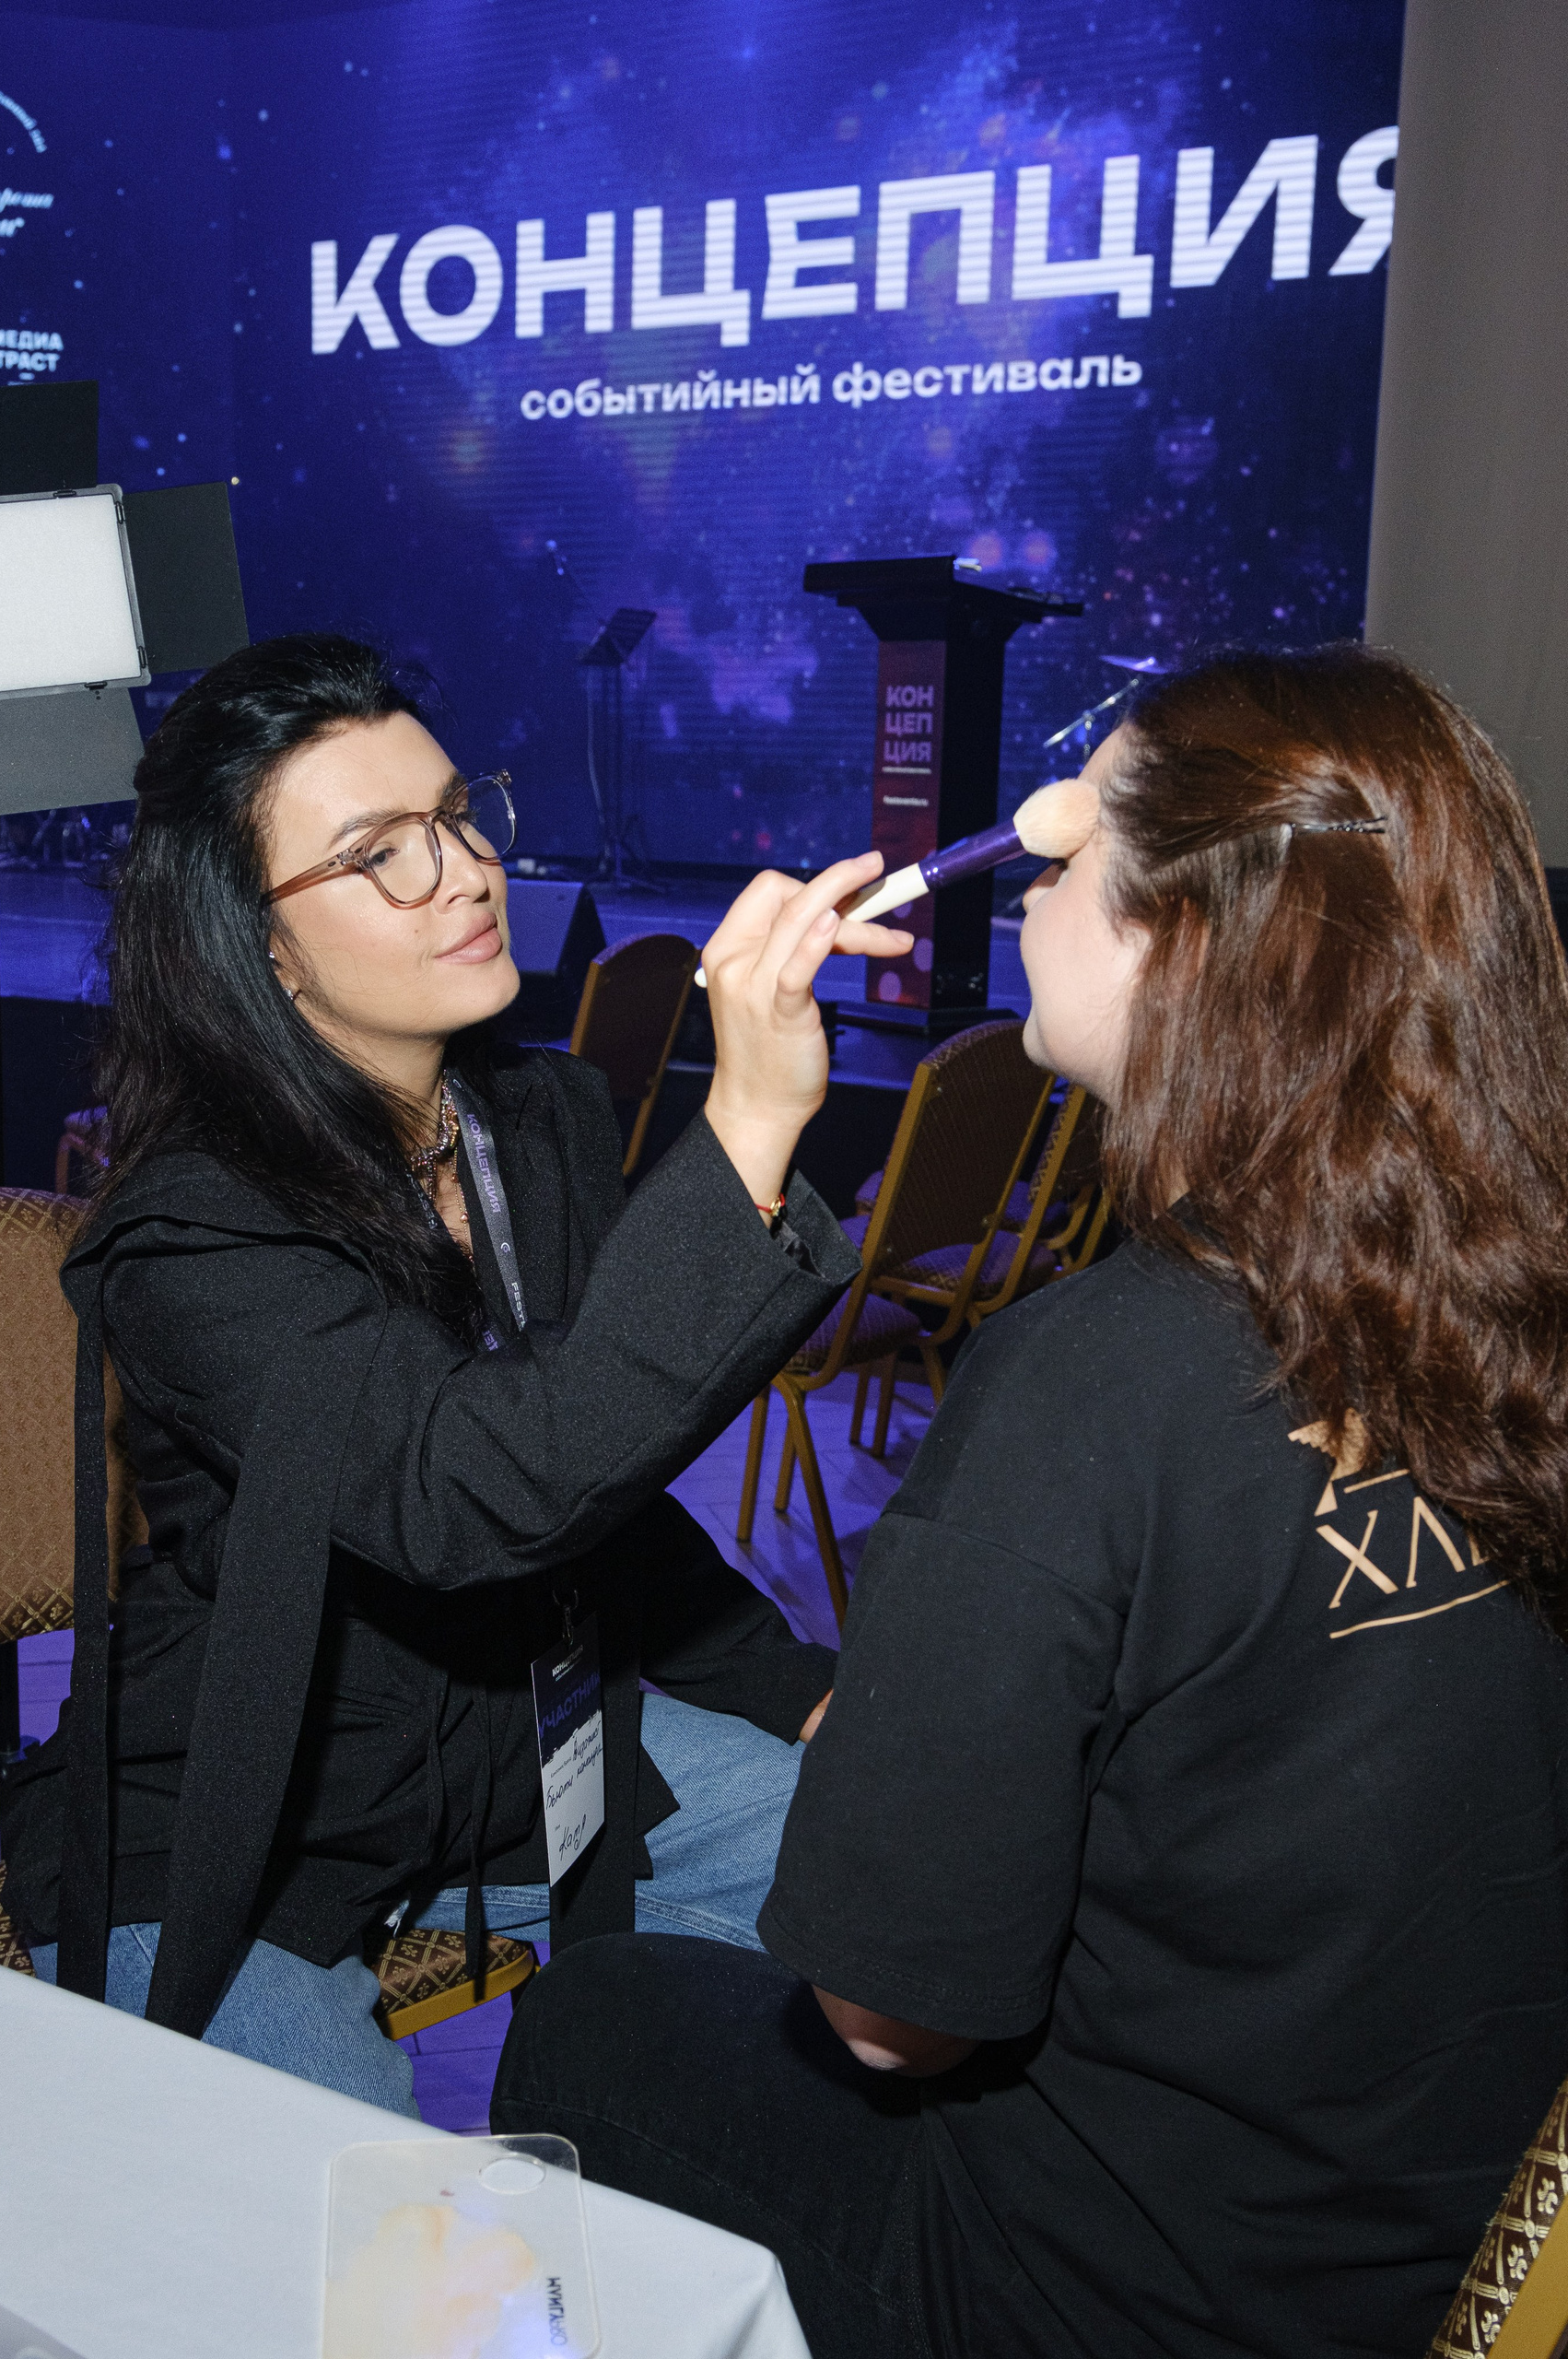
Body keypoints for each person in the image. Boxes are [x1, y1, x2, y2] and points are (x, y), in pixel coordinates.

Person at [493, 644, 1568, 2359]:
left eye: (1074, 852)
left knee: (594, 2022)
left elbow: (889, 2021)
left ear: (1191, 940)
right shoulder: (1516, 1308)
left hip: (1119, 2300)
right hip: (1436, 2227)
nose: (1030, 881)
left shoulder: (1098, 1379)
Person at [0, 632, 911, 2117]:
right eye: (384, 854)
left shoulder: (534, 1123)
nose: (470, 874)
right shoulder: (190, 1233)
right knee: (353, 2228)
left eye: (458, 818)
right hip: (241, 1809)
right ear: (260, 948)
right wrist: (745, 1123)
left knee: (891, 1866)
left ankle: (636, 2148)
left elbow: (599, 1484)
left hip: (502, 1750)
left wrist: (794, 1689)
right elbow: (467, 1492)